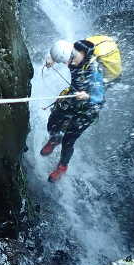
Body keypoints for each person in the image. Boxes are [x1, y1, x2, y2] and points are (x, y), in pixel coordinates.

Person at [41, 39, 106, 182]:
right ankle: (54, 139)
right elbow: (61, 53)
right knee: (53, 121)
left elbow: (100, 98)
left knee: (69, 140)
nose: (68, 64)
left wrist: (87, 96)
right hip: (73, 96)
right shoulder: (71, 53)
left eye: (70, 60)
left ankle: (62, 167)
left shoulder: (94, 70)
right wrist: (52, 59)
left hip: (88, 109)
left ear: (79, 54)